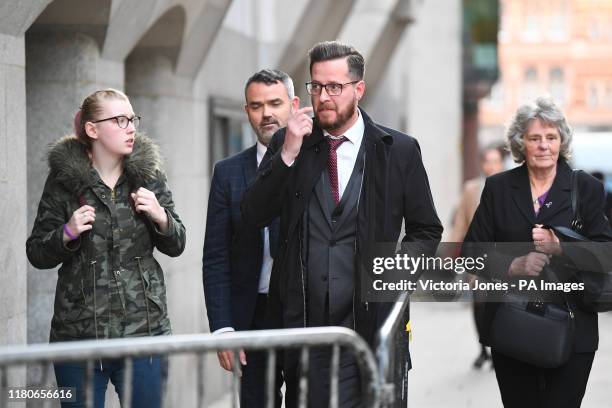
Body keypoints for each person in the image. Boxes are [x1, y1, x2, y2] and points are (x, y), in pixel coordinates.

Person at [242, 41, 443, 407]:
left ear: (359, 89)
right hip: (306, 328)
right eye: (316, 87)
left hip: (369, 328)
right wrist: (287, 153)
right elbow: (253, 214)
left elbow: (426, 229)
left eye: (334, 87)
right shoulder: (290, 144)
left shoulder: (397, 150)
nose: (323, 97)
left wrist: (397, 270)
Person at [26, 89, 186, 408]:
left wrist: (160, 216)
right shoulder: (64, 181)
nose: (131, 127)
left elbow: (178, 243)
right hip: (79, 338)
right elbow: (36, 252)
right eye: (120, 120)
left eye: (132, 119)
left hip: (144, 333)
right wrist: (67, 232)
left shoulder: (148, 177)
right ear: (92, 129)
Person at [464, 97, 612, 408]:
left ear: (562, 141)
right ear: (521, 143)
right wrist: (513, 264)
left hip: (574, 328)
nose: (544, 146)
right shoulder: (499, 188)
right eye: (534, 138)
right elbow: (471, 252)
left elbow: (606, 253)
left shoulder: (586, 188)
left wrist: (561, 247)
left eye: (551, 137)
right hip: (512, 325)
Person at [202, 69, 298, 407]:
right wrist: (223, 328)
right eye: (256, 106)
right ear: (246, 112)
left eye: (275, 103)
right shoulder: (228, 172)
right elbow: (215, 254)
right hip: (252, 313)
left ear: (294, 105)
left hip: (303, 311)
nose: (266, 113)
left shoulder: (316, 164)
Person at [450, 145, 505, 369]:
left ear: (502, 163)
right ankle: (483, 350)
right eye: (488, 161)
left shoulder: (511, 187)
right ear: (482, 164)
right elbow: (462, 221)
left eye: (496, 161)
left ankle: (499, 350)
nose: (491, 165)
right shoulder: (472, 189)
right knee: (479, 304)